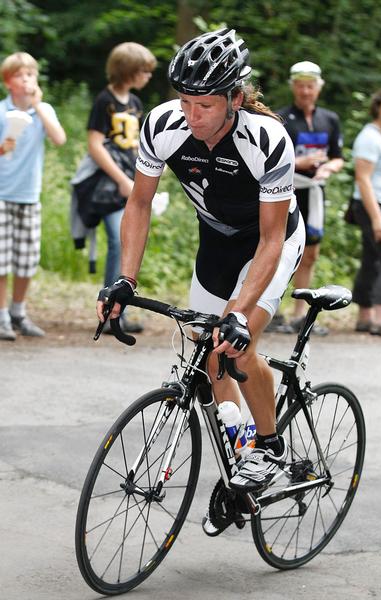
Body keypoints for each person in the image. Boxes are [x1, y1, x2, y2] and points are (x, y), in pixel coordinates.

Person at [96, 28, 305, 501]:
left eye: (205, 105)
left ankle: (269, 447)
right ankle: (241, 449)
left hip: (271, 243)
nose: (192, 115)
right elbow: (139, 205)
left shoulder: (267, 138)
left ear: (234, 98)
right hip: (216, 241)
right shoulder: (161, 125)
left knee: (236, 342)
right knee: (207, 349)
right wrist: (125, 279)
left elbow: (272, 237)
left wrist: (239, 311)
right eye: (185, 101)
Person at [75, 41, 157, 334]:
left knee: (126, 243)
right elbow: (95, 145)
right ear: (129, 70)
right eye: (144, 71)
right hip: (108, 186)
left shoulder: (135, 104)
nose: (148, 76)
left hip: (129, 182)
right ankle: (110, 313)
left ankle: (117, 313)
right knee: (118, 241)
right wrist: (121, 180)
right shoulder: (104, 101)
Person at [0, 52, 66, 341]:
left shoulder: (44, 110)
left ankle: (18, 312)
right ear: (8, 82)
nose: (27, 78)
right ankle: (1, 315)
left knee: (26, 261)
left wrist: (38, 106)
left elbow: (59, 139)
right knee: (1, 261)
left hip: (29, 196)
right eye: (20, 74)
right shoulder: (2, 112)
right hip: (2, 194)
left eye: (31, 73)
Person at [275, 61, 344, 335]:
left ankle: (299, 314)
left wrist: (329, 166)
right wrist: (300, 161)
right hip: (285, 192)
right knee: (277, 250)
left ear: (319, 88)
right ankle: (272, 310)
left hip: (315, 193)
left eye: (310, 86)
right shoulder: (280, 118)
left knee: (311, 253)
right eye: (301, 86)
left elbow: (338, 158)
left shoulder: (330, 119)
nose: (306, 91)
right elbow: (271, 160)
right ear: (293, 87)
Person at [351, 83, 381, 337]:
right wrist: (379, 217)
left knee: (372, 258)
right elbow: (363, 179)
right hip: (371, 205)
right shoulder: (369, 137)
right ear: (379, 106)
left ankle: (364, 317)